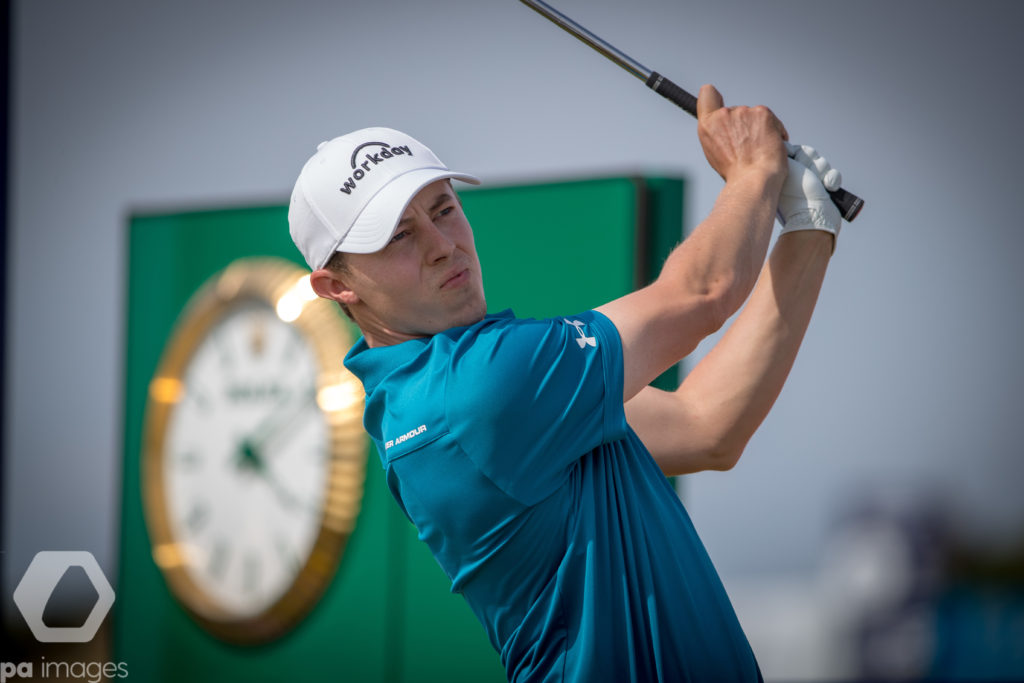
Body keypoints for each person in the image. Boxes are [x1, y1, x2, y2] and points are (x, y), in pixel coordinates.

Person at [288, 84, 844, 682]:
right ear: (335, 286)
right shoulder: (478, 390)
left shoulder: (437, 398)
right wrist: (751, 169)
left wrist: (809, 227)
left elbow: (707, 426)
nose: (443, 246)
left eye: (444, 208)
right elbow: (701, 293)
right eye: (398, 235)